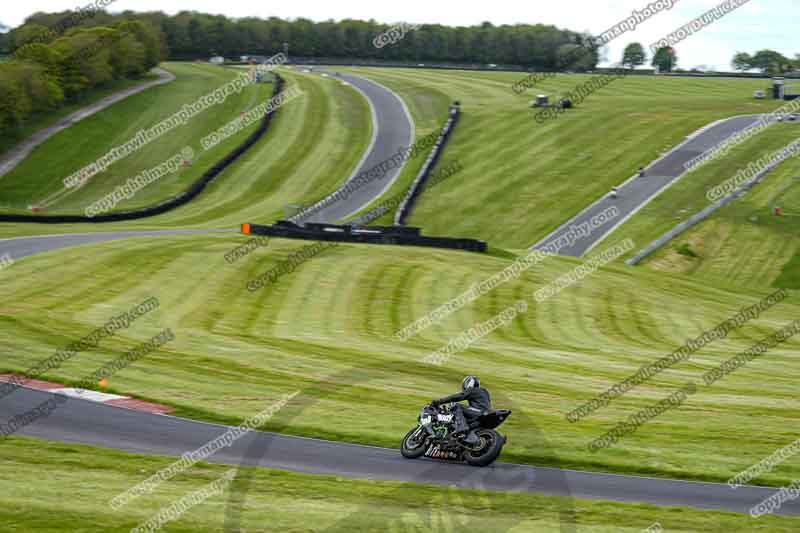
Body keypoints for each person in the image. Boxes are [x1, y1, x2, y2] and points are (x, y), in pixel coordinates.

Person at [431, 376, 491, 445]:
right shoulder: (484, 392)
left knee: (456, 405)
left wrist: (439, 401)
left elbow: (458, 396)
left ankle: (461, 428)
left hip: (479, 413)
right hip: (482, 415)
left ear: (468, 383)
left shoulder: (473, 390)